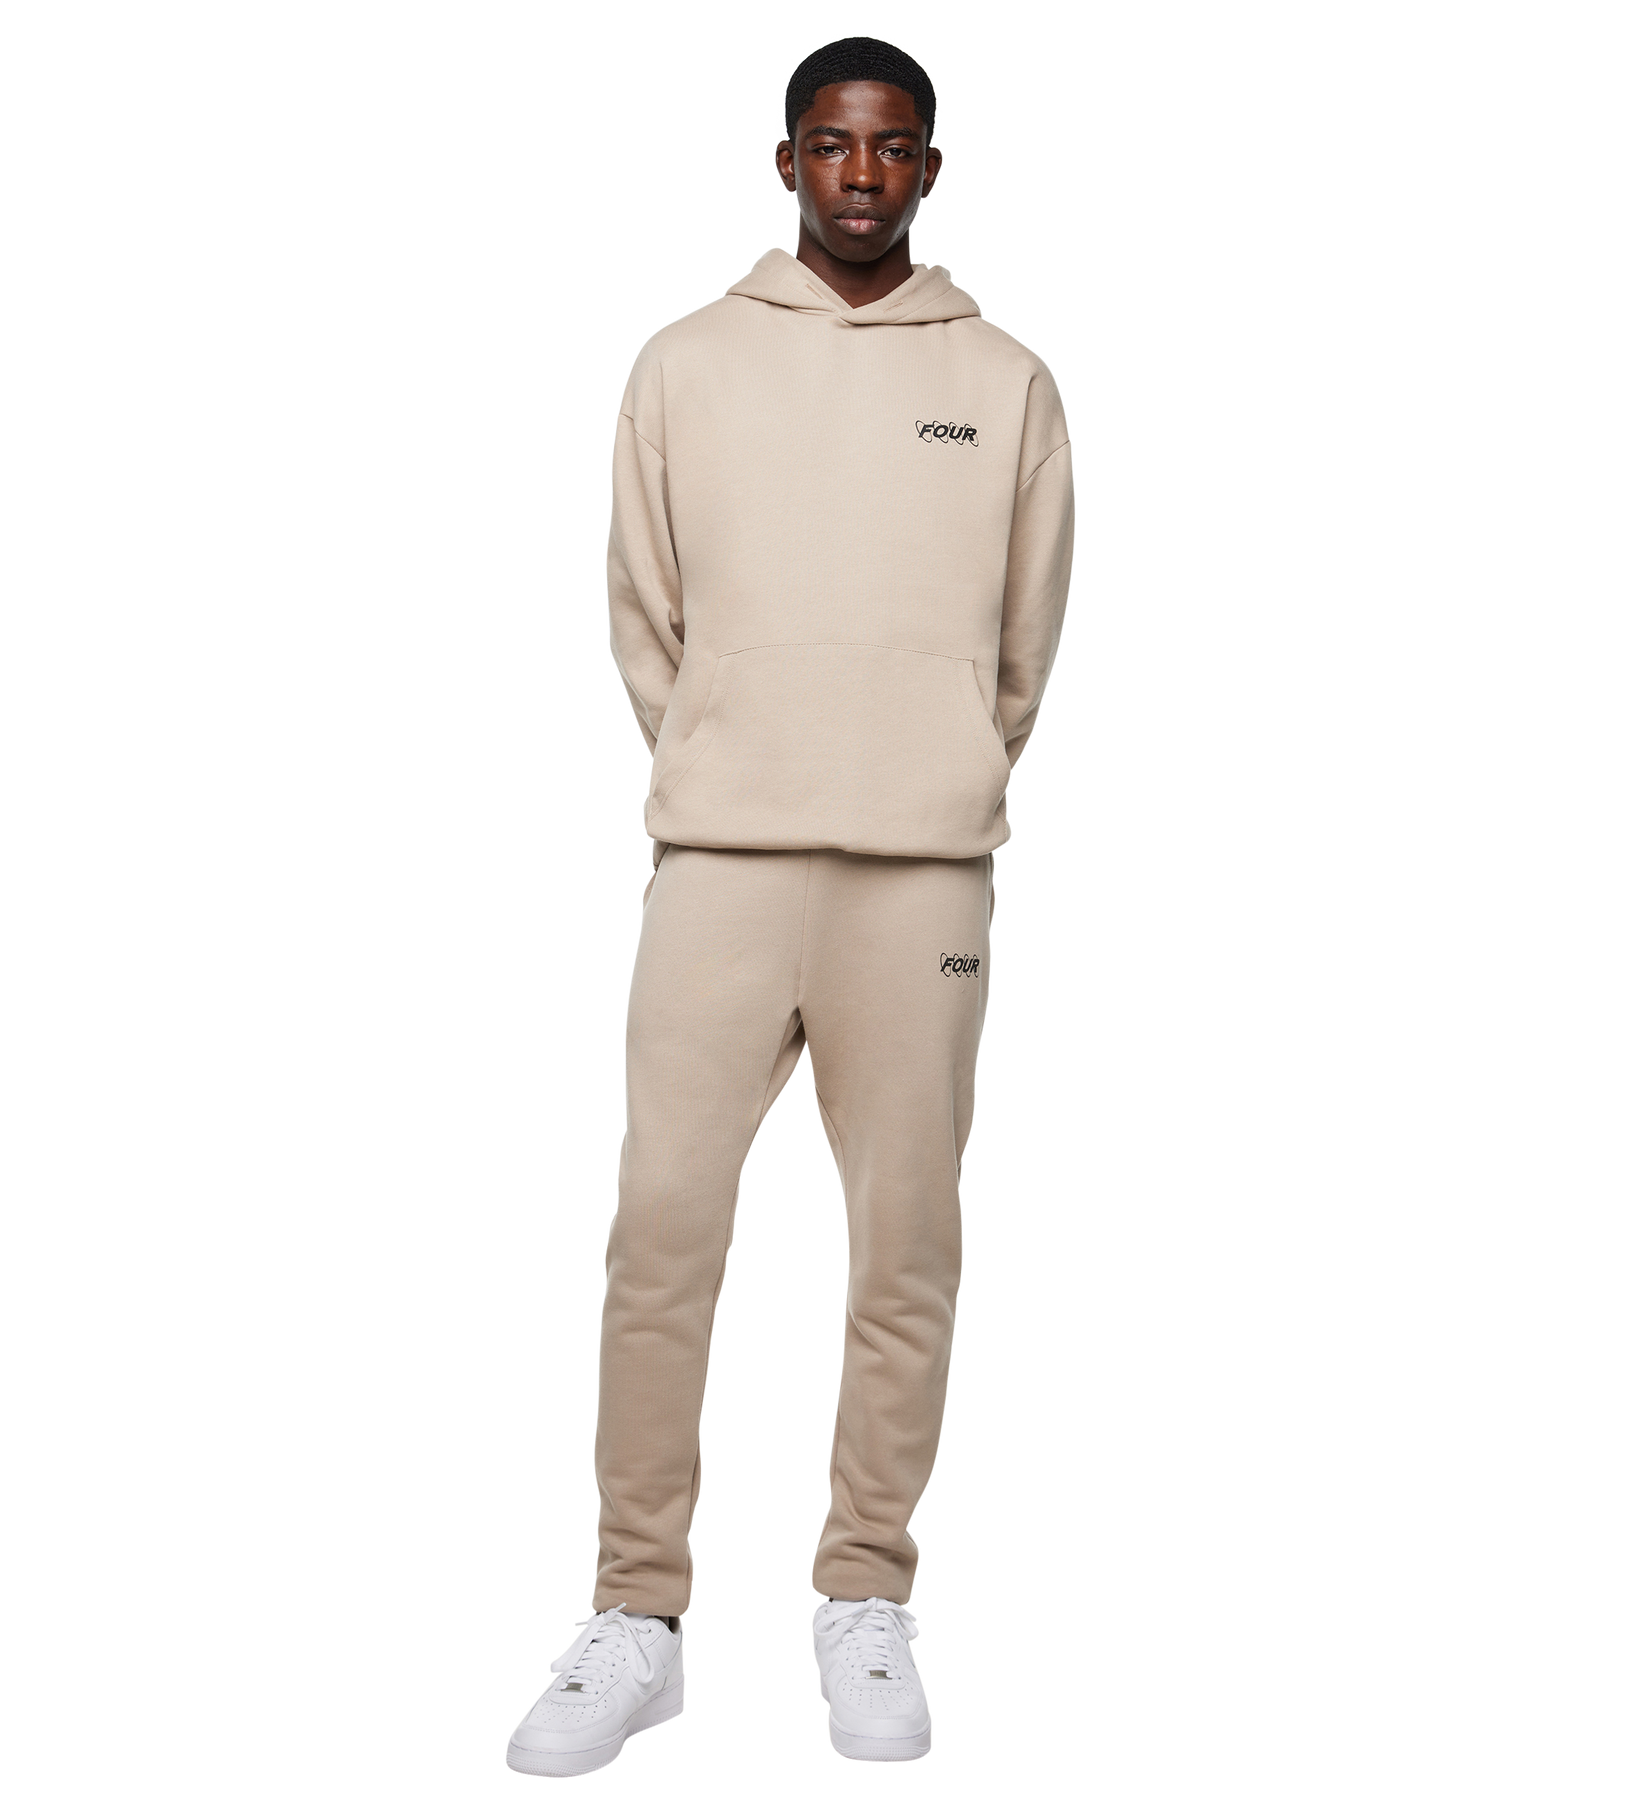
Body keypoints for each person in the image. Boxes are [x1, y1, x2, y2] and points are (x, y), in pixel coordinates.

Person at [503, 29, 1075, 1779]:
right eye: (830, 143)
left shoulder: (1009, 381)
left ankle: (865, 1595)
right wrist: (735, 758)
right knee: (663, 1230)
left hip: (924, 875)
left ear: (932, 167)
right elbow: (643, 613)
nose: (860, 172)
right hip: (722, 865)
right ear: (784, 162)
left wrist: (932, 770)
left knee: (906, 1243)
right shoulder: (684, 363)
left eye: (891, 146)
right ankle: (636, 1615)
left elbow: (1025, 646)